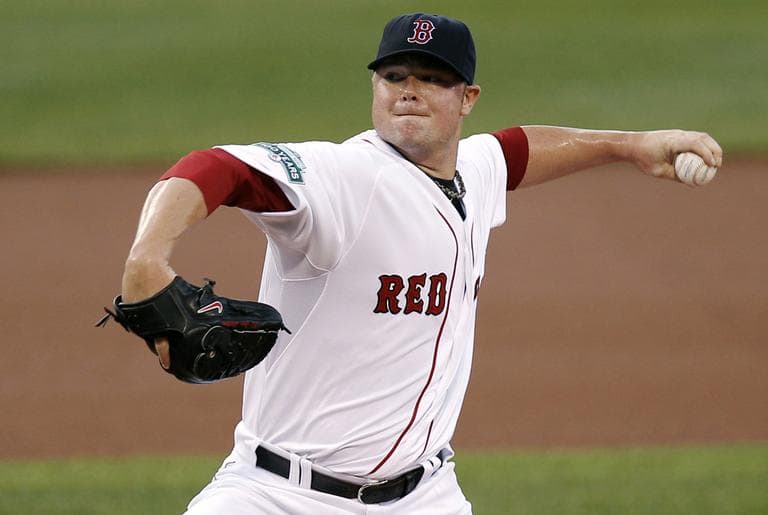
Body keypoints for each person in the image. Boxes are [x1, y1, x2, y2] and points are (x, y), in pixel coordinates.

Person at [120, 12, 722, 515]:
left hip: (425, 495)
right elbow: (216, 167)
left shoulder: (471, 171)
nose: (409, 88)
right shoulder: (344, 179)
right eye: (394, 75)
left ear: (467, 99)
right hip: (277, 496)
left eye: (433, 78)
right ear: (375, 87)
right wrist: (148, 256)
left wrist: (631, 144)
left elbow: (513, 150)